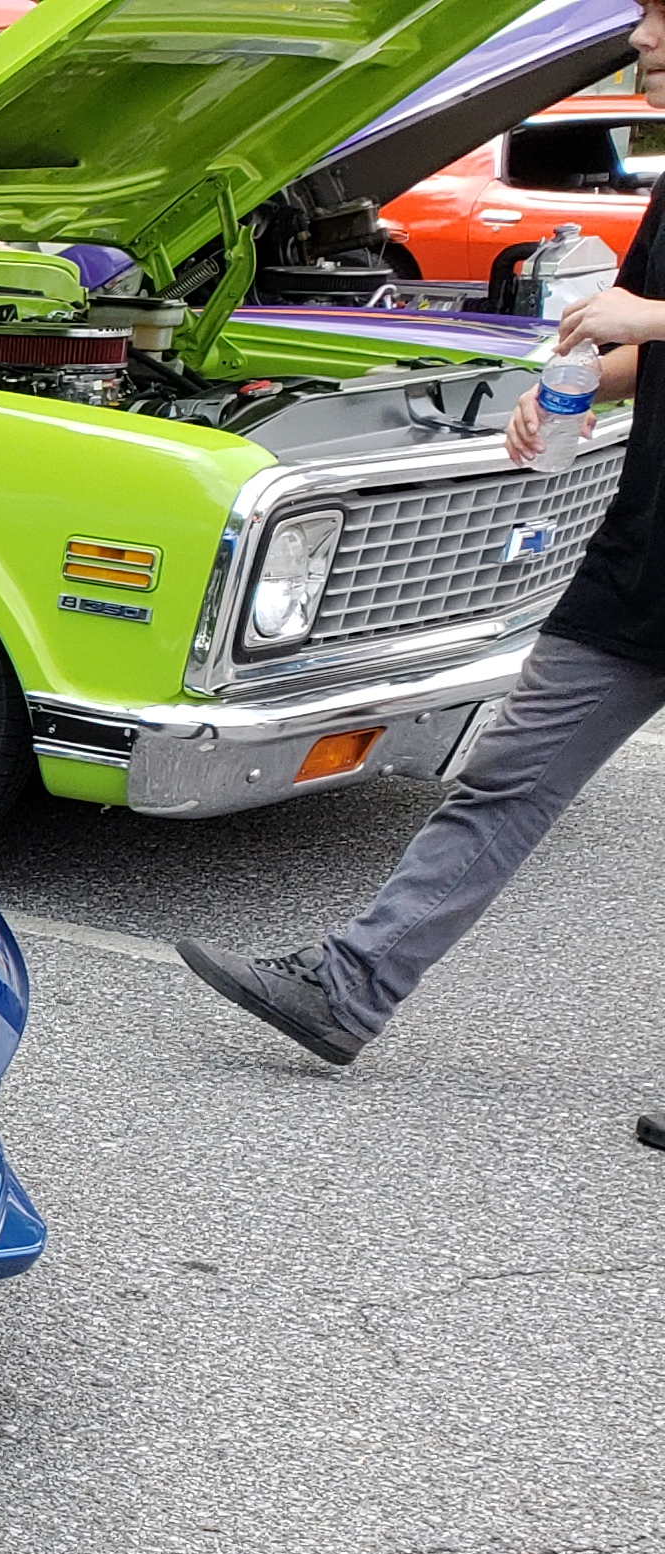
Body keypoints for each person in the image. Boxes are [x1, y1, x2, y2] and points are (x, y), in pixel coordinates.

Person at [177, 0, 665, 1153]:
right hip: (644, 558)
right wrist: (582, 383)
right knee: (506, 779)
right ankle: (347, 989)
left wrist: (644, 312)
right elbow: (647, 350)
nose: (640, 38)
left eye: (658, 17)